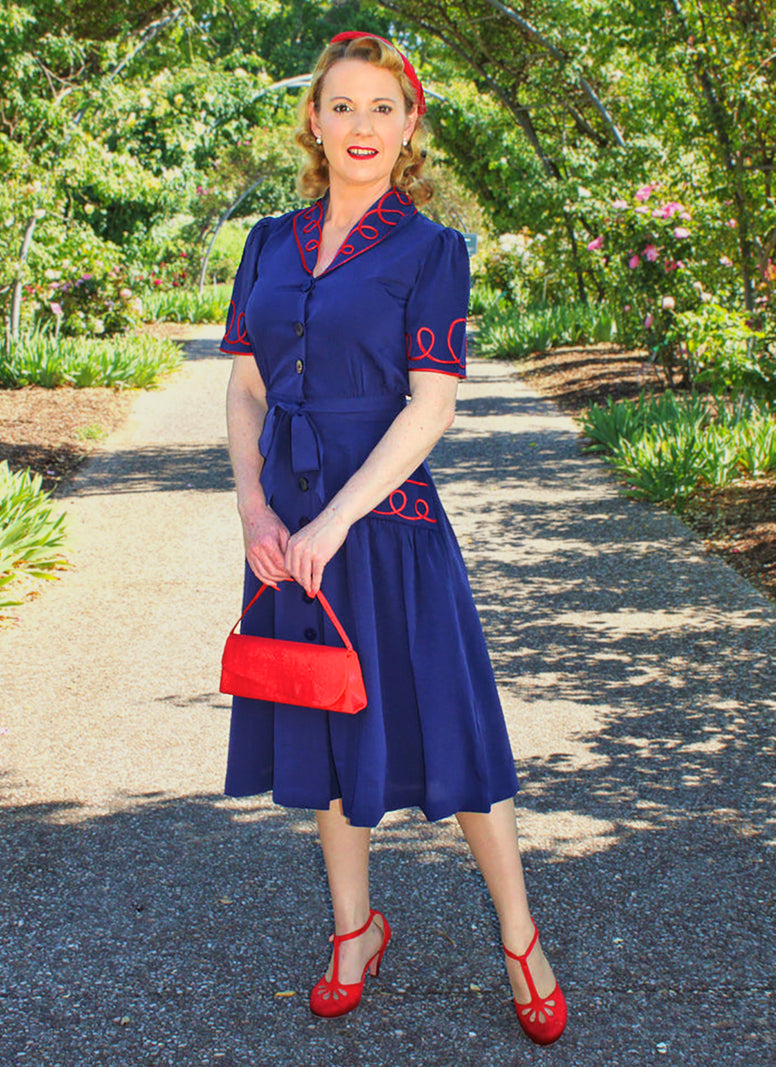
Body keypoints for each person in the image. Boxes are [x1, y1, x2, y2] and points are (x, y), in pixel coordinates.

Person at [221, 30, 567, 1045]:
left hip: (383, 521)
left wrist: (334, 515)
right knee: (322, 718)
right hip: (283, 523)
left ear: (410, 125)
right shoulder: (265, 244)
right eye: (342, 106)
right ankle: (352, 929)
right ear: (313, 121)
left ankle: (517, 936)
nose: (360, 126)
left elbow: (429, 408)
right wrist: (254, 506)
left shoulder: (431, 250)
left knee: (452, 727)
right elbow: (243, 388)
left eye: (382, 107)